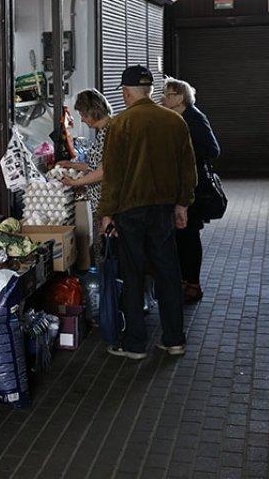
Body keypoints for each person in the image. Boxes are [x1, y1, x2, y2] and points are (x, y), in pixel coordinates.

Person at [97, 65, 197, 360]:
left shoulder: (121, 124)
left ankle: (135, 344)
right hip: (163, 209)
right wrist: (182, 204)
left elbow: (112, 176)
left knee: (133, 274)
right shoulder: (174, 121)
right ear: (151, 91)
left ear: (127, 93)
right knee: (168, 272)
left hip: (130, 210)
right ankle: (174, 339)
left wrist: (106, 213)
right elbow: (187, 168)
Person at [161, 76, 220, 304]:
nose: (164, 98)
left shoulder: (194, 118)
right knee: (182, 236)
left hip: (194, 187)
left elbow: (213, 150)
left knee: (189, 234)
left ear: (181, 98)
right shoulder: (174, 118)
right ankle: (185, 281)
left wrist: (186, 155)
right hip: (180, 186)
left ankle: (193, 284)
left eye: (169, 94)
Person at [57, 89, 112, 262]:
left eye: (82, 114)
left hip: (108, 204)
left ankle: (110, 286)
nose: (81, 119)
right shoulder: (104, 131)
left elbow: (104, 171)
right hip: (102, 205)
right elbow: (96, 165)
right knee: (102, 249)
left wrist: (75, 182)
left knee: (106, 251)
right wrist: (71, 165)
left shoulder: (109, 132)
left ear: (91, 111)